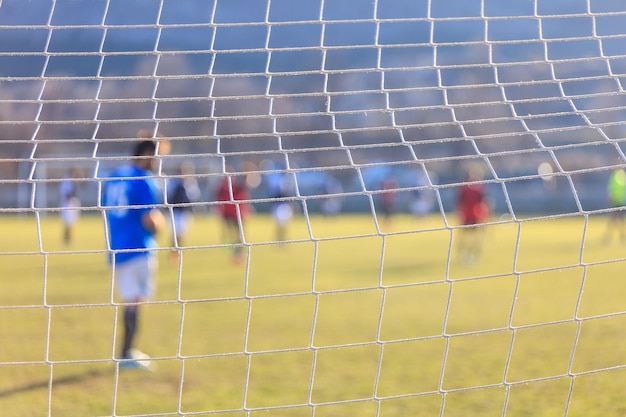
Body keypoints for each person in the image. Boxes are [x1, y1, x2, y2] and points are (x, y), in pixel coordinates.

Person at [102, 137, 170, 370]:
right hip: (139, 246)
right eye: (157, 156)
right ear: (148, 154)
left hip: (117, 246)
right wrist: (161, 223)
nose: (158, 162)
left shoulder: (115, 176)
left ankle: (125, 352)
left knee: (129, 298)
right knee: (137, 300)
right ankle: (127, 353)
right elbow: (149, 219)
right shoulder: (143, 180)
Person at [167, 161, 201, 263]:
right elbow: (168, 195)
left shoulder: (191, 183)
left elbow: (194, 196)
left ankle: (179, 251)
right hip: (175, 211)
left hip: (185, 212)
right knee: (174, 234)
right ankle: (173, 252)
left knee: (182, 234)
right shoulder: (172, 182)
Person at [456, 167, 490, 264]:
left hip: (475, 215)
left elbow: (484, 203)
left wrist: (485, 215)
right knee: (465, 237)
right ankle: (463, 254)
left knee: (475, 236)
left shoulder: (478, 189)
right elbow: (459, 203)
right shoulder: (465, 189)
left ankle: (473, 254)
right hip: (468, 215)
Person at [215, 174, 251, 264]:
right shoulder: (221, 188)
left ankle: (238, 253)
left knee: (239, 235)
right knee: (229, 234)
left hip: (237, 214)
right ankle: (232, 253)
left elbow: (244, 192)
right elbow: (218, 199)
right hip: (227, 214)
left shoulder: (236, 186)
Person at [59, 167, 82, 245]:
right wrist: (70, 199)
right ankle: (66, 238)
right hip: (68, 203)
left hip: (72, 201)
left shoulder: (73, 181)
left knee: (72, 222)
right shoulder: (68, 180)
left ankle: (68, 238)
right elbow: (66, 192)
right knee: (68, 221)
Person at [604, 166, 626, 243]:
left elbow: (612, 188)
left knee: (615, 219)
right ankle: (618, 236)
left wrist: (611, 198)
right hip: (620, 200)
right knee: (617, 219)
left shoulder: (615, 175)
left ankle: (610, 236)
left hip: (617, 201)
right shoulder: (622, 174)